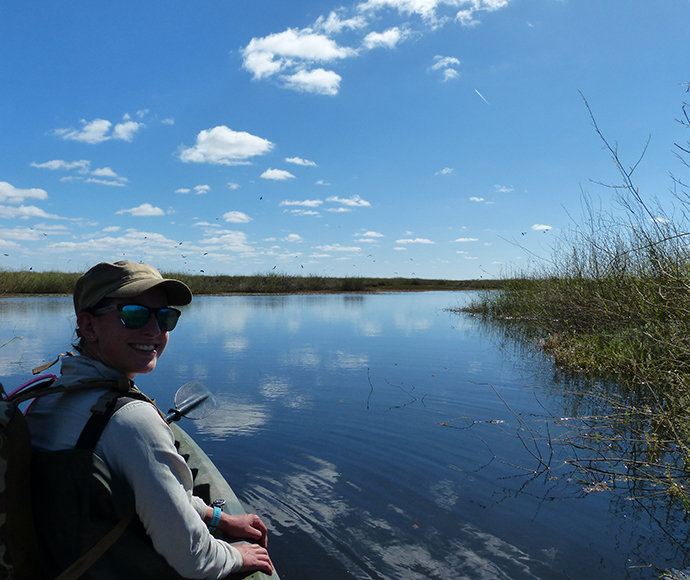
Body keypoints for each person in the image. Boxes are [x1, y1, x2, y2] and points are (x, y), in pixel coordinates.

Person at [25, 260, 274, 578]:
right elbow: (193, 557)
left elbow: (154, 491)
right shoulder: (131, 420)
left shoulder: (48, 396)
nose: (154, 330)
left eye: (165, 317)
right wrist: (236, 556)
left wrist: (216, 517)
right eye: (134, 314)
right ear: (89, 327)